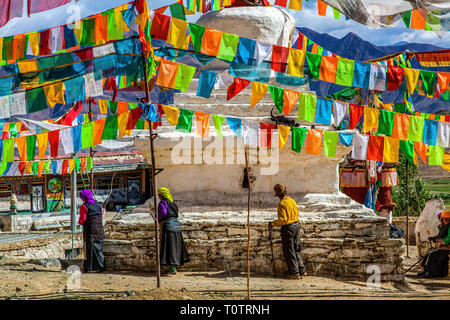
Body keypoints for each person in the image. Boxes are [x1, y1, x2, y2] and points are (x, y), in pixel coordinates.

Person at [269, 184, 306, 279]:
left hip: (288, 228)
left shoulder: (282, 204)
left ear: (278, 195)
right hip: (296, 226)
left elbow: (283, 220)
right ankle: (301, 269)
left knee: (289, 250)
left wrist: (272, 223)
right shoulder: (292, 201)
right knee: (296, 248)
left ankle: (294, 272)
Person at [157, 187, 190, 275]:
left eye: (159, 195)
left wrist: (159, 218)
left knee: (169, 248)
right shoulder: (173, 203)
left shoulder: (162, 202)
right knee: (175, 247)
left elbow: (163, 213)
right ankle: (173, 267)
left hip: (168, 226)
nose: (158, 197)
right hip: (176, 226)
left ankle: (171, 269)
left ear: (161, 195)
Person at [78, 189, 106, 273]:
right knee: (99, 249)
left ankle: (90, 267)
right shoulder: (99, 205)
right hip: (99, 230)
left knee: (90, 249)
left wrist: (79, 222)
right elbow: (100, 216)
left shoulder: (85, 206)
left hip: (90, 230)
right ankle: (102, 266)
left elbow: (83, 219)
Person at [418, 210, 450, 278]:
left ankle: (432, 273)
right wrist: (434, 238)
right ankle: (426, 270)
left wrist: (442, 241)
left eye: (443, 218)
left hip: (447, 247)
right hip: (442, 245)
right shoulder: (444, 226)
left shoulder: (449, 226)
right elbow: (440, 236)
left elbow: (448, 238)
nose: (442, 220)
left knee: (433, 254)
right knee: (429, 252)